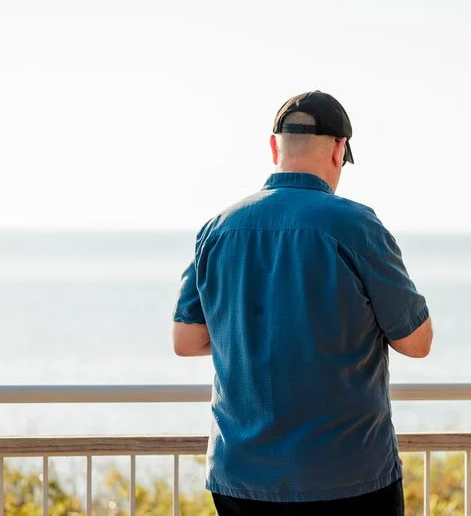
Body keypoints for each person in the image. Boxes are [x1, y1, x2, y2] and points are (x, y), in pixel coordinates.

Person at [171, 90, 433, 516]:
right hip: (348, 475)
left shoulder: (217, 229)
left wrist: (252, 331)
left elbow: (185, 340)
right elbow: (416, 342)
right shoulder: (356, 224)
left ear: (274, 147)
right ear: (339, 150)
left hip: (241, 478)